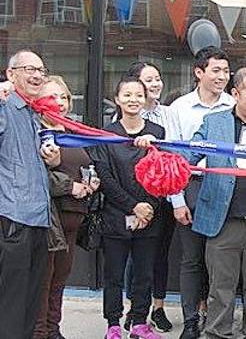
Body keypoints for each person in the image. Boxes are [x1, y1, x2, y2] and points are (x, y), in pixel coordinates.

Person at [183, 66, 246, 339]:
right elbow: (189, 155)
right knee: (220, 289)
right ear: (235, 93)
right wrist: (157, 148)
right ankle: (217, 334)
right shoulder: (213, 121)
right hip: (222, 219)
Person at [90, 76, 164, 339]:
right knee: (114, 274)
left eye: (138, 95)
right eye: (127, 95)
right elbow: (106, 178)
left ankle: (140, 323)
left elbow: (162, 173)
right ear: (118, 98)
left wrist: (149, 207)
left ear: (146, 99)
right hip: (116, 214)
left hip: (150, 215)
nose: (133, 100)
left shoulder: (157, 133)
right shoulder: (106, 134)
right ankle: (113, 324)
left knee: (144, 273)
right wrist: (133, 206)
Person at [169, 47, 235, 339]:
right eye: (216, 71)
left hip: (225, 187)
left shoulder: (234, 105)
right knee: (192, 259)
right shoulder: (179, 108)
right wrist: (177, 200)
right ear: (199, 72)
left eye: (226, 71)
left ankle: (214, 318)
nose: (222, 77)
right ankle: (191, 320)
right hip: (192, 187)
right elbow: (173, 160)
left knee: (220, 260)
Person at [33, 76, 101, 339]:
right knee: (43, 281)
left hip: (74, 217)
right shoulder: (35, 130)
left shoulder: (72, 132)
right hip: (48, 217)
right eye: (52, 97)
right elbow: (31, 174)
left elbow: (86, 163)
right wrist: (68, 186)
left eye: (63, 97)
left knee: (60, 278)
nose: (59, 103)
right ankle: (39, 332)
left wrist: (90, 180)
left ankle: (53, 329)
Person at [0, 50, 60, 339]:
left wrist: (51, 159)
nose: (37, 75)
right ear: (11, 74)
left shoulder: (35, 114)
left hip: (38, 219)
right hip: (13, 218)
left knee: (30, 303)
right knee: (11, 302)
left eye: (41, 70)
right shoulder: (5, 106)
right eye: (29, 69)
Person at [122, 62, 183, 333]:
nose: (156, 84)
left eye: (158, 78)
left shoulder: (169, 114)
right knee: (133, 257)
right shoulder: (123, 119)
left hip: (164, 196)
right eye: (149, 80)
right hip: (132, 199)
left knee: (158, 256)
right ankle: (134, 309)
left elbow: (176, 150)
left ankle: (157, 307)